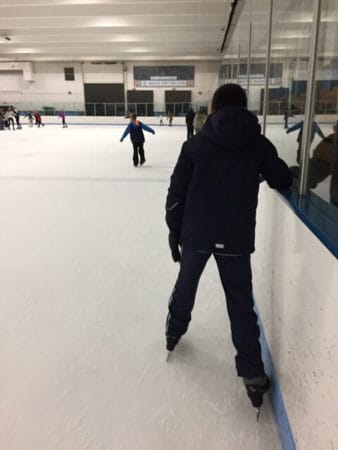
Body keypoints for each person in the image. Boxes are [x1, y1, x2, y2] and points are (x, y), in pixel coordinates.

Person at [165, 83, 293, 410]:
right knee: (240, 302)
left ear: (215, 108)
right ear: (244, 107)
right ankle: (252, 374)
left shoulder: (195, 144)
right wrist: (286, 171)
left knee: (186, 285)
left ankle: (174, 331)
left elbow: (176, 193)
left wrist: (173, 231)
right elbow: (281, 178)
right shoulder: (258, 143)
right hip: (236, 238)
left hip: (196, 234)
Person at [290, 124, 338, 206]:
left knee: (308, 178)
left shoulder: (332, 137)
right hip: (319, 162)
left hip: (322, 164)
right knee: (307, 177)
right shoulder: (332, 137)